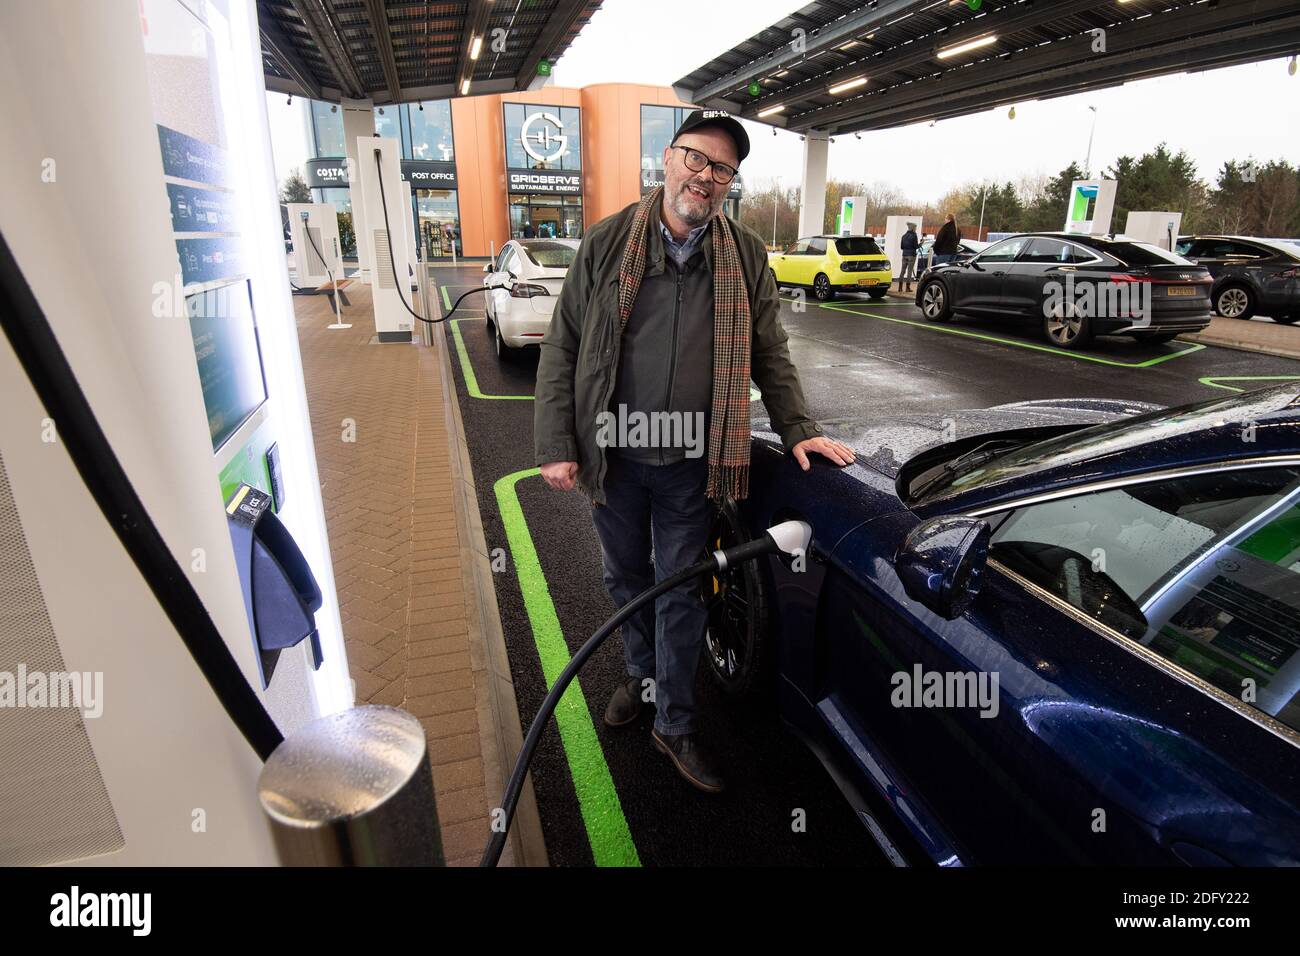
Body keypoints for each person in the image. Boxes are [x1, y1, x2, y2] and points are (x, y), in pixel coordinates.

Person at [534, 109, 854, 793]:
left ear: (729, 184)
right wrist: (558, 442)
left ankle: (673, 722)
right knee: (626, 581)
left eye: (721, 170)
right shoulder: (607, 241)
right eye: (696, 159)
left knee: (681, 590)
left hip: (690, 461)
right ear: (669, 159)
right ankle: (643, 681)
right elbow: (563, 345)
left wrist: (798, 428)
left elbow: (770, 349)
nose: (705, 177)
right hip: (614, 455)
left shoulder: (742, 255)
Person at [899, 222, 920, 292]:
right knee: (909, 271)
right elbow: (916, 246)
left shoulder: (904, 236)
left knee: (902, 271)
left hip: (904, 255)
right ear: (913, 228)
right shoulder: (914, 235)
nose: (916, 229)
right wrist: (921, 243)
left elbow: (901, 247)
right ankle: (907, 288)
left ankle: (900, 287)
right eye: (915, 228)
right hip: (911, 255)